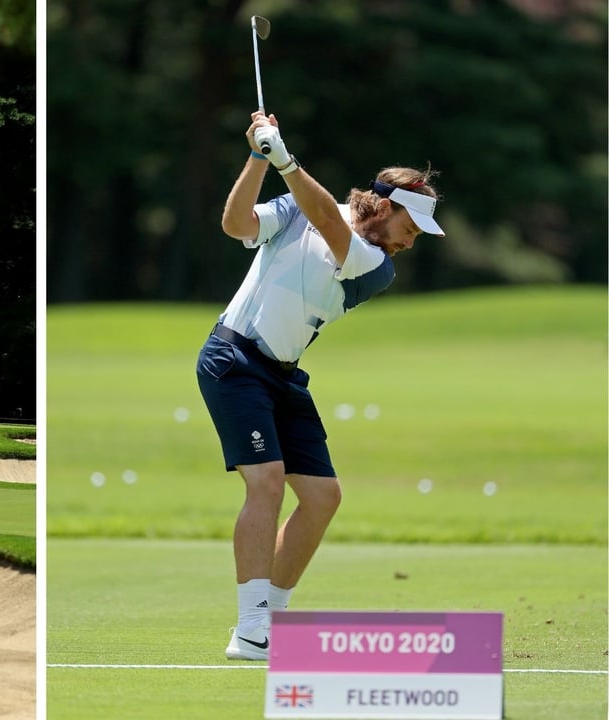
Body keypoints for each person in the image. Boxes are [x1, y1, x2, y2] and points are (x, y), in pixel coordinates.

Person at [196, 110, 444, 661]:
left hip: (281, 375)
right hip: (233, 358)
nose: (410, 243)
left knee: (323, 496)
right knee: (266, 483)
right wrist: (259, 158)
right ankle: (252, 629)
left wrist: (284, 157)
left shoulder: (376, 265)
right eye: (411, 228)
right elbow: (236, 225)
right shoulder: (296, 209)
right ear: (386, 205)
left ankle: (273, 623)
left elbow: (330, 224)